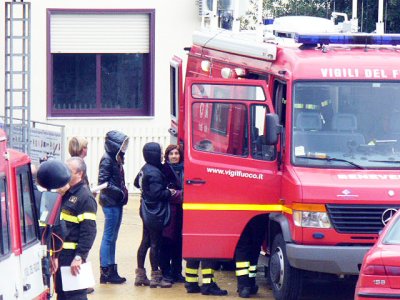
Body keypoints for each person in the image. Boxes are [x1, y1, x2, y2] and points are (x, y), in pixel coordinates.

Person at [54, 157, 97, 300]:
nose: (64, 174)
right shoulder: (65, 193)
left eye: (69, 171)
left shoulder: (85, 197)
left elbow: (89, 231)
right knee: (61, 294)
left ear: (80, 174)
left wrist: (80, 257)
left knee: (75, 296)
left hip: (72, 257)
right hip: (60, 255)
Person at [134, 142, 174, 288]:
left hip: (145, 210)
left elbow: (136, 183)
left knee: (144, 241)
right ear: (154, 154)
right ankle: (156, 277)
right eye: (160, 152)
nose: (162, 154)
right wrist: (170, 192)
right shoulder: (154, 172)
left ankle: (140, 276)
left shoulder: (145, 169)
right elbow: (159, 194)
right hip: (155, 213)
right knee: (155, 244)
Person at [98, 130, 129, 284]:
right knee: (109, 237)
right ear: (114, 145)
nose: (124, 148)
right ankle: (106, 271)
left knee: (112, 237)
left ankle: (110, 270)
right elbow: (102, 182)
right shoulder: (107, 160)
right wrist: (120, 192)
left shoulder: (115, 158)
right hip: (111, 202)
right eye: (122, 144)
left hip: (115, 201)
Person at [159, 144, 185, 283]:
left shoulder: (185, 169)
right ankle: (166, 272)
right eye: (171, 154)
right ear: (167, 156)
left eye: (176, 153)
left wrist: (177, 193)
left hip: (181, 211)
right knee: (167, 242)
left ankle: (177, 272)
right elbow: (165, 192)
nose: (174, 156)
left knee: (179, 243)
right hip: (168, 212)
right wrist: (181, 194)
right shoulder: (164, 170)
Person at [234, 215, 268, 298]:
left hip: (242, 214)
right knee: (254, 248)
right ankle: (249, 284)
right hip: (260, 214)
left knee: (244, 248)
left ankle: (244, 286)